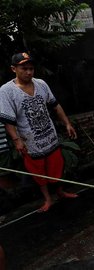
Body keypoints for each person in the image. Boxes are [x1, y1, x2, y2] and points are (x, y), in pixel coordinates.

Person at [0, 52, 78, 212]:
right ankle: (48, 199)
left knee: (56, 166)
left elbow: (55, 105)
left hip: (49, 136)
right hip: (30, 142)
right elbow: (8, 121)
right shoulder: (6, 91)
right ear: (13, 69)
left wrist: (67, 123)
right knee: (38, 173)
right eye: (24, 68)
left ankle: (60, 191)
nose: (29, 72)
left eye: (31, 68)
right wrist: (17, 140)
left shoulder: (41, 84)